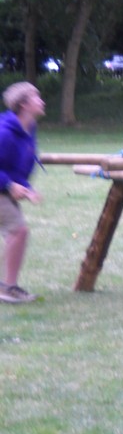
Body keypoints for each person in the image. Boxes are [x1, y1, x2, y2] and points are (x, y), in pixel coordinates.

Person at [0, 83, 45, 304]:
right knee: (18, 231)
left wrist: (26, 188)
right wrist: (9, 186)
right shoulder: (5, 133)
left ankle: (9, 286)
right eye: (37, 98)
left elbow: (19, 166)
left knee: (16, 233)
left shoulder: (29, 128)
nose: (42, 102)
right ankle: (7, 288)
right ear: (24, 104)